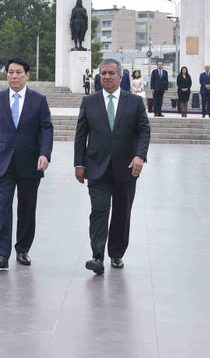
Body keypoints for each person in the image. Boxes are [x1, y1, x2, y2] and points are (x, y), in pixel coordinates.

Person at [74, 58, 150, 275]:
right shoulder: (89, 101)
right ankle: (97, 256)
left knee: (121, 212)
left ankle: (116, 253)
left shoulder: (134, 102)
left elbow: (144, 131)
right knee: (99, 210)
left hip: (126, 167)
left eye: (111, 73)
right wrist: (79, 164)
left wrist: (140, 156)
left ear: (120, 76)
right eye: (103, 73)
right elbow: (81, 135)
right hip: (96, 167)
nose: (106, 77)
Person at [0, 57, 52, 269]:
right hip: (2, 161)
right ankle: (1, 254)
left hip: (30, 162)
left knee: (26, 208)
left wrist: (45, 154)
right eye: (10, 72)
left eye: (18, 72)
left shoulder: (38, 100)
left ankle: (22, 250)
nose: (14, 76)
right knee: (3, 206)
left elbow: (46, 128)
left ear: (27, 75)